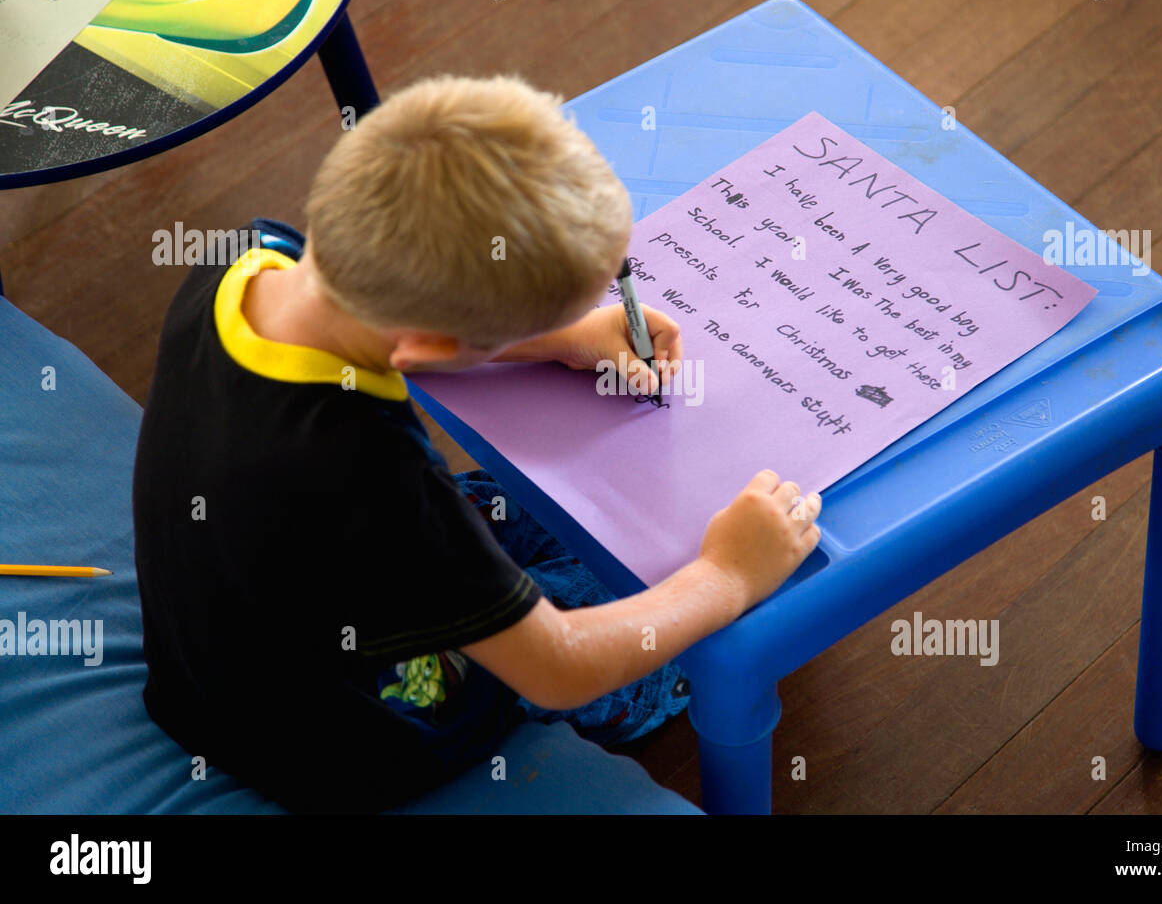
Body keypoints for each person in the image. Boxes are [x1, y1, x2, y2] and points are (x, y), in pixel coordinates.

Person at [132, 74, 821, 812]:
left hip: (223, 652)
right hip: (348, 738)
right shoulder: (374, 478)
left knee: (521, 514)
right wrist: (722, 577)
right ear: (430, 340)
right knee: (671, 587)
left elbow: (395, 334)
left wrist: (565, 337)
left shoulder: (248, 260)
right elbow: (559, 668)